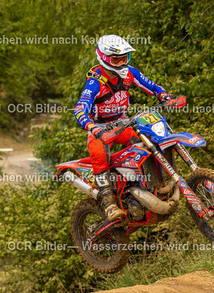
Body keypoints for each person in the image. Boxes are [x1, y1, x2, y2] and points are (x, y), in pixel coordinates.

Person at [74, 34, 173, 222]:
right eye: (116, 60)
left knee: (148, 140)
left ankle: (154, 185)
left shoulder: (129, 73)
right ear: (103, 58)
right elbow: (79, 108)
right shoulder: (95, 82)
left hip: (123, 122)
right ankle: (109, 204)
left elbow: (152, 86)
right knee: (99, 154)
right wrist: (92, 127)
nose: (121, 63)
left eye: (124, 58)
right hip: (101, 127)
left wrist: (164, 96)